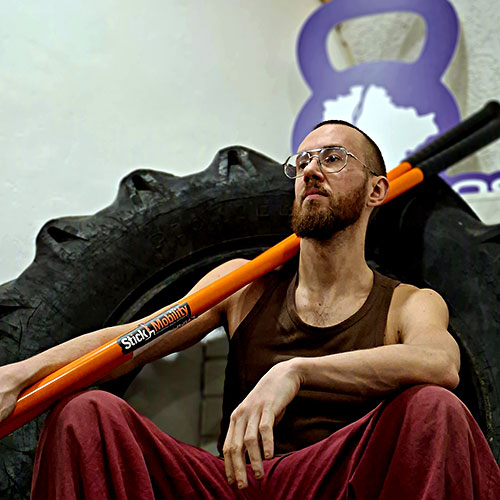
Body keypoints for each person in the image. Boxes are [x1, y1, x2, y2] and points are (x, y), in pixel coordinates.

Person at [1, 120, 499, 499]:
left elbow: (440, 363)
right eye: (301, 162)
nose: (310, 170)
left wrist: (295, 372)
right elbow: (130, 341)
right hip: (235, 483)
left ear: (376, 190)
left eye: (333, 158)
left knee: (434, 409)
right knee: (87, 414)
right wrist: (19, 374)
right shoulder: (243, 285)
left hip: (338, 480)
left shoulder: (408, 302)